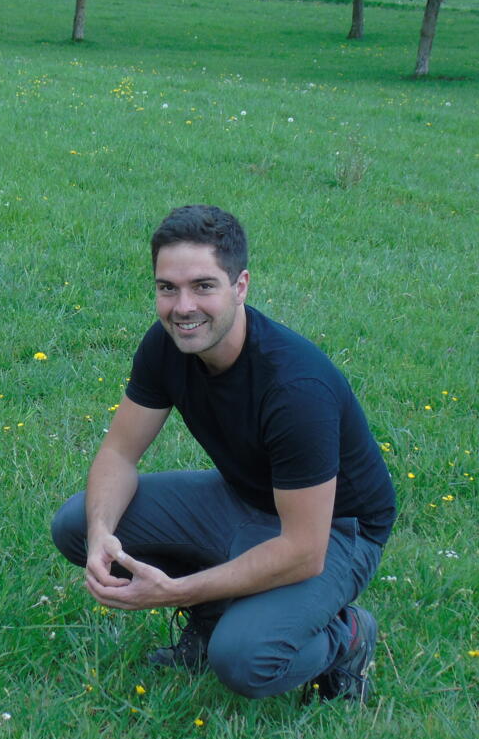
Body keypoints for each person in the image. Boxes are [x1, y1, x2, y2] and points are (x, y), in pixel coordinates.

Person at [51, 205, 396, 702]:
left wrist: (176, 591)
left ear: (241, 287)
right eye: (167, 288)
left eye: (203, 286)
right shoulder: (166, 345)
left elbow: (303, 551)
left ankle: (347, 637)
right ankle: (217, 612)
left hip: (337, 531)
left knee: (244, 658)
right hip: (246, 499)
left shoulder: (295, 388)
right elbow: (119, 454)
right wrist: (102, 533)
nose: (182, 306)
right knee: (77, 523)